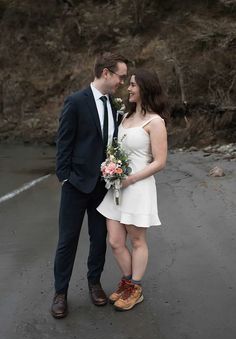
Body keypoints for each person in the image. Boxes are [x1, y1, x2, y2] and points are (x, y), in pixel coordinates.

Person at [51, 52, 128, 319]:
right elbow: (64, 142)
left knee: (99, 239)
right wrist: (64, 176)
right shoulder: (76, 101)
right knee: (67, 241)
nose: (122, 81)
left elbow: (113, 142)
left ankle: (94, 284)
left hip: (103, 186)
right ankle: (60, 293)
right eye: (120, 75)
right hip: (75, 185)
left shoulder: (114, 104)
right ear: (106, 73)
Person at [97, 68, 168, 311]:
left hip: (138, 188)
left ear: (145, 88)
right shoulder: (124, 118)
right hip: (117, 188)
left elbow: (160, 162)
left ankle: (135, 288)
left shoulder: (155, 122)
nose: (128, 88)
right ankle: (127, 282)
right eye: (129, 84)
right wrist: (111, 168)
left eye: (133, 85)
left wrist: (131, 179)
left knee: (137, 240)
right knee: (115, 241)